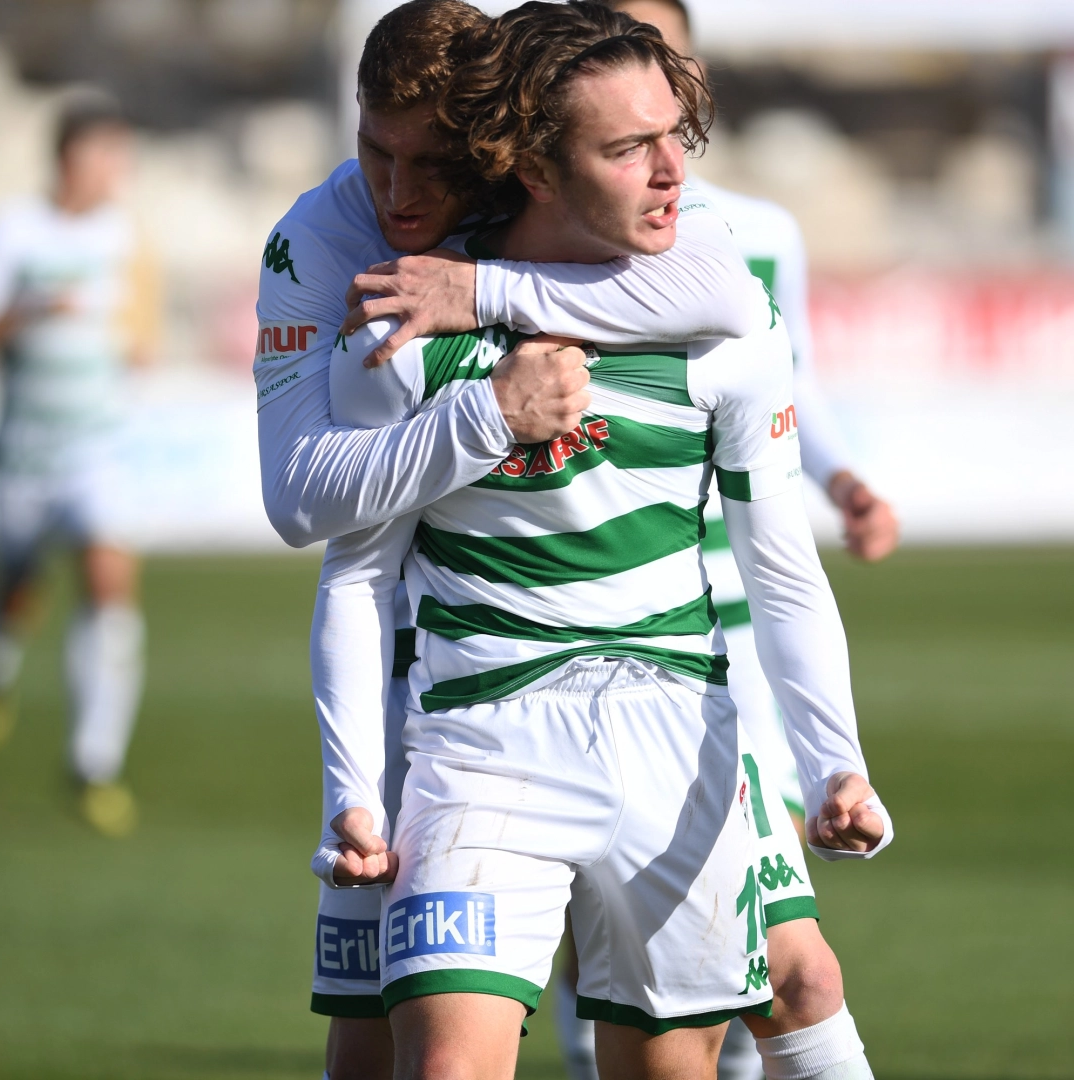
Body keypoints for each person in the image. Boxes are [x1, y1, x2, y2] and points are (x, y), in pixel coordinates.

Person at [306, 4, 891, 1079]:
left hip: (678, 740)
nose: (674, 174)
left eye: (674, 138)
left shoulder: (727, 330)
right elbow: (353, 573)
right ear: (534, 166)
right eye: (628, 148)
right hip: (484, 744)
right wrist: (354, 789)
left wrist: (835, 765)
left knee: (720, 1035)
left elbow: (781, 571)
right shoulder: (405, 331)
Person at [0, 90, 155, 837]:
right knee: (15, 590)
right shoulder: (15, 229)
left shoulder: (126, 237)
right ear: (68, 156)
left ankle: (94, 762)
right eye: (105, 153)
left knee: (108, 577)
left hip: (98, 448)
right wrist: (34, 311)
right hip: (24, 450)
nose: (116, 169)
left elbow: (140, 334)